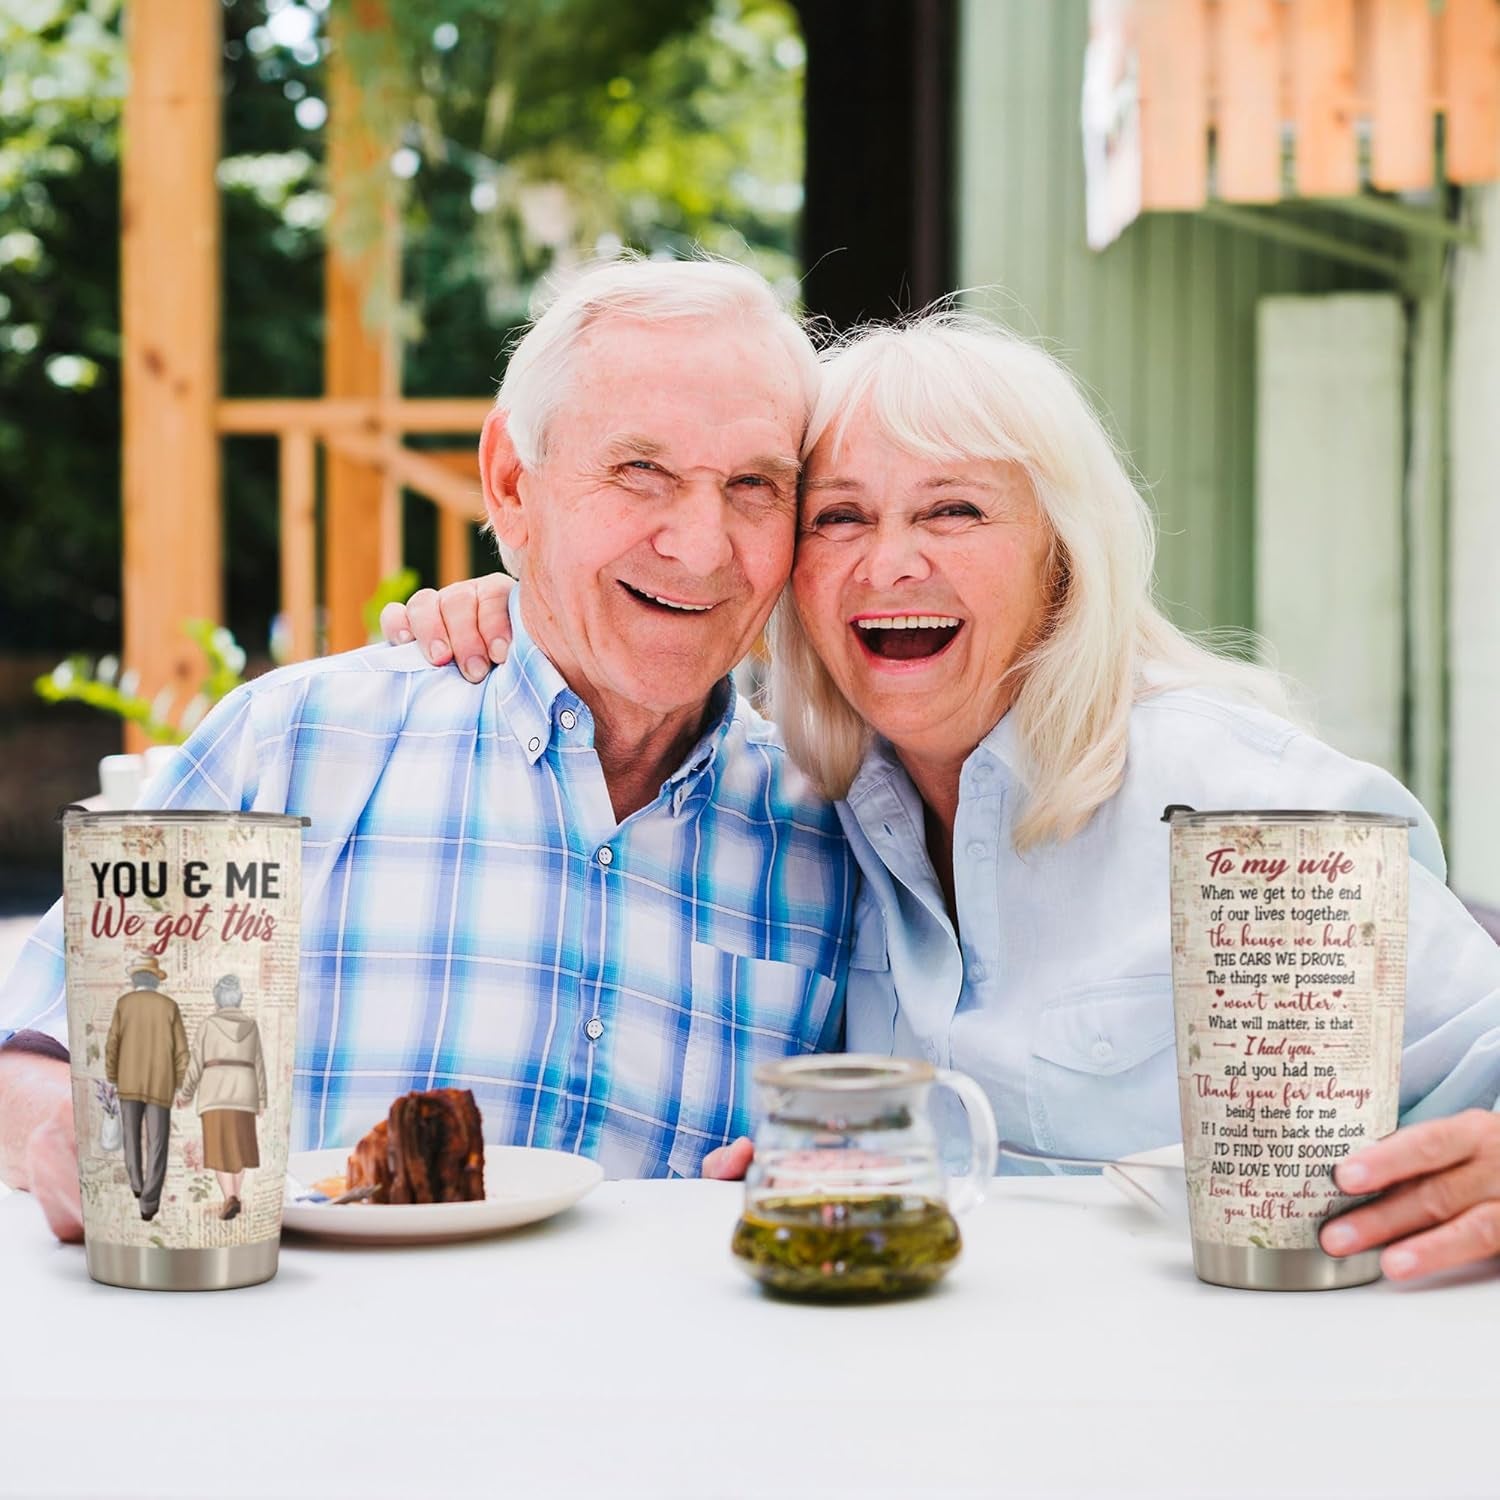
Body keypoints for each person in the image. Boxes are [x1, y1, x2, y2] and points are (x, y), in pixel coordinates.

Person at [388, 309, 1500, 1282]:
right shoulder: (818, 818)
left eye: (955, 512)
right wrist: (524, 593)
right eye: (839, 518)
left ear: (1060, 558)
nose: (890, 563)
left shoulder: (1227, 798)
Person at [0, 257, 856, 1242]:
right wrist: (73, 1139)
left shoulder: (830, 830)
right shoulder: (298, 745)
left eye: (754, 485)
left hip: (654, 1387)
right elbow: (36, 1047)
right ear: (510, 484)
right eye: (641, 470)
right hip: (305, 1374)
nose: (702, 545)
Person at [104, 954, 189, 1222]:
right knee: (157, 1143)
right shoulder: (169, 1007)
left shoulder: (124, 1004)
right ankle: (149, 1203)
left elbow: (112, 1044)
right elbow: (181, 1052)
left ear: (135, 980)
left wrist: (112, 1075)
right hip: (159, 1084)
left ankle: (136, 1185)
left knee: (131, 1137)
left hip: (128, 1081)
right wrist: (178, 1082)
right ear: (155, 980)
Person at [176, 974, 268, 1221]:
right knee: (239, 1148)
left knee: (219, 1149)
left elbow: (196, 1062)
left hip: (215, 1092)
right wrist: (261, 1100)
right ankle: (235, 1195)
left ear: (217, 1000)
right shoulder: (251, 1025)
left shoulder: (208, 1025)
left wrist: (185, 1094)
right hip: (245, 1092)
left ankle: (230, 1196)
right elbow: (259, 1063)